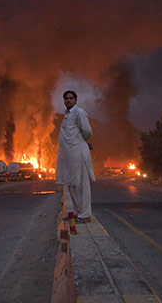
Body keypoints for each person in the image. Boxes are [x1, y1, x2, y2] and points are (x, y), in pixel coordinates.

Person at [55, 90, 95, 223]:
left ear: (76, 100)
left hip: (78, 154)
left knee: (82, 185)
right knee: (72, 184)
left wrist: (82, 141)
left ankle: (86, 214)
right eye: (66, 98)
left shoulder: (79, 113)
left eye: (71, 98)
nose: (68, 100)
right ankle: (79, 213)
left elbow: (87, 131)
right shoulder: (67, 116)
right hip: (69, 156)